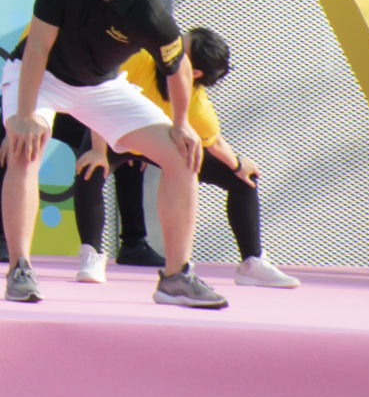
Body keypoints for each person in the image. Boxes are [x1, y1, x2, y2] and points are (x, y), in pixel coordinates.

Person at [0, 0, 224, 308]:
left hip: (101, 86)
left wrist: (182, 123)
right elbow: (38, 48)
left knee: (182, 154)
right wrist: (26, 116)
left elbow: (178, 67)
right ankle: (20, 269)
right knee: (25, 146)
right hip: (42, 76)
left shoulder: (147, 11)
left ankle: (175, 278)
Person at [92, 27, 299, 289]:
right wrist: (98, 149)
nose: (172, 48)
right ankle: (91, 255)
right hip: (118, 134)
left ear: (195, 73)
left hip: (163, 148)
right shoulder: (143, 57)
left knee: (243, 180)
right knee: (90, 165)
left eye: (182, 49)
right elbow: (100, 93)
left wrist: (238, 165)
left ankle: (252, 262)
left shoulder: (198, 108)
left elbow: (216, 143)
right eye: (179, 40)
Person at [0, 114, 112, 280]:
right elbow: (16, 98)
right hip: (36, 109)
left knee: (110, 155)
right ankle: (2, 240)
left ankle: (133, 244)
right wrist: (12, 132)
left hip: (78, 109)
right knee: (15, 150)